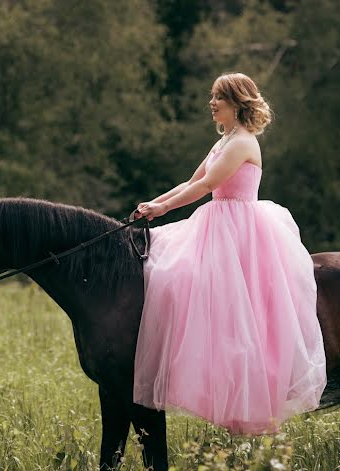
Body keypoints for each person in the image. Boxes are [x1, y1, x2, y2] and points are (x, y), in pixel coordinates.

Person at [132, 72, 326, 435]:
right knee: (175, 278)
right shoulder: (223, 141)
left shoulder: (243, 143)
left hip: (240, 231)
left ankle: (244, 397)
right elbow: (192, 181)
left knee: (231, 310)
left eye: (217, 98)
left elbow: (207, 186)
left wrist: (164, 211)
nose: (211, 103)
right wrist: (153, 203)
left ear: (236, 102)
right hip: (217, 223)